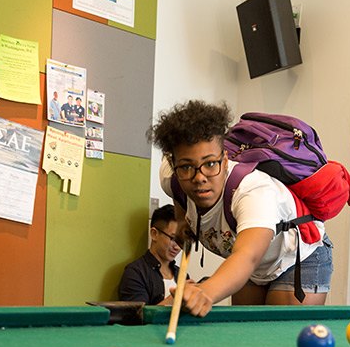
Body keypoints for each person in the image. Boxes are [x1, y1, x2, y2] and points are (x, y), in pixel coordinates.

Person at [148, 100, 332, 317]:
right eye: (186, 167)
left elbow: (247, 256)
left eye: (210, 164)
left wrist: (205, 292)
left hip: (296, 258)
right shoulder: (170, 176)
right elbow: (179, 196)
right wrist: (182, 222)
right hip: (256, 267)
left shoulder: (252, 191)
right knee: (247, 334)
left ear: (225, 161)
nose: (199, 178)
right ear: (174, 165)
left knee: (274, 338)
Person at [118, 205, 186, 304]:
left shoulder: (181, 274)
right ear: (154, 234)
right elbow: (138, 317)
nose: (177, 247)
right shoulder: (135, 273)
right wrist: (175, 298)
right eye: (174, 239)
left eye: (181, 241)